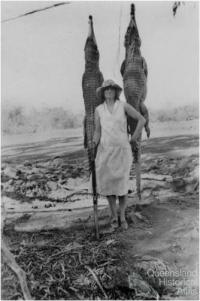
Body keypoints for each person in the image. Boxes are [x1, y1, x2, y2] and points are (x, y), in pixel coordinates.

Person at [92, 79, 145, 230]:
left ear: (116, 92)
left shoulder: (123, 106)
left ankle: (122, 216)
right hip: (105, 152)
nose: (109, 91)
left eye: (111, 89)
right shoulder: (99, 110)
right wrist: (93, 143)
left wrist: (133, 139)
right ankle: (113, 216)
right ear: (103, 93)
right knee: (109, 186)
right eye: (106, 89)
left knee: (121, 186)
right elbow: (97, 131)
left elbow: (141, 119)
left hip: (122, 151)